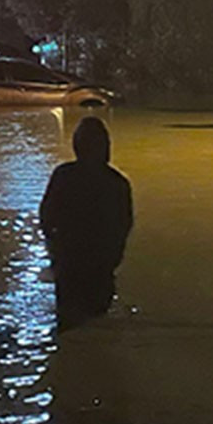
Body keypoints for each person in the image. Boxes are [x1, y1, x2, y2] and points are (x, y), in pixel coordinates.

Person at [39, 117, 133, 327]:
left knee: (68, 323)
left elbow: (46, 217)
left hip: (69, 263)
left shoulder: (63, 176)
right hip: (100, 265)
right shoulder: (117, 183)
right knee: (98, 322)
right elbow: (124, 225)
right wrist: (114, 257)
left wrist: (54, 249)